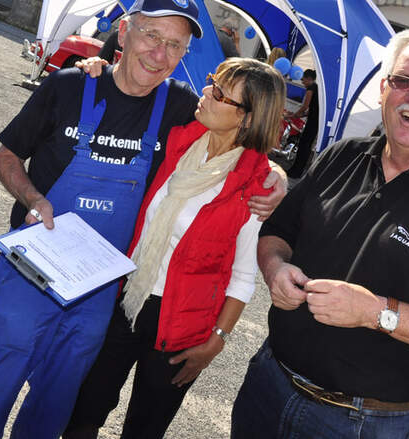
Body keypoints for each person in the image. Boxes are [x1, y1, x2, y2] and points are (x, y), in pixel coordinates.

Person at [0, 0, 286, 439]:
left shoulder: (180, 108)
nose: (160, 52)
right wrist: (34, 200)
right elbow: (7, 156)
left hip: (100, 292)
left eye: (175, 45)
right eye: (152, 35)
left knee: (55, 405)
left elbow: (239, 135)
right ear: (124, 30)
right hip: (32, 272)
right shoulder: (70, 85)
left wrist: (278, 177)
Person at [231, 28, 409, 438]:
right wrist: (275, 269)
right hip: (270, 381)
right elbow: (278, 233)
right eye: (403, 81)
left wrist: (376, 313)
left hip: (361, 423)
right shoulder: (340, 157)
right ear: (384, 89)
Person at [65, 58, 285, 439]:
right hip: (126, 297)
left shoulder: (256, 183)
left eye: (219, 93)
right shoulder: (179, 137)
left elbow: (243, 276)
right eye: (212, 81)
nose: (206, 92)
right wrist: (98, 66)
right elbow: (132, 88)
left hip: (184, 325)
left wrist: (217, 341)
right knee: (84, 410)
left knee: (145, 428)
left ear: (247, 118)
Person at [285, 68, 318, 178]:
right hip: (315, 120)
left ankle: (296, 171)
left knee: (304, 145)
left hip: (313, 122)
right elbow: (310, 110)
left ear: (309, 79)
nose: (303, 83)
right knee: (306, 145)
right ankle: (297, 170)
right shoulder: (318, 89)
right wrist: (299, 115)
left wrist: (295, 115)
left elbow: (305, 106)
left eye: (303, 80)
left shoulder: (312, 87)